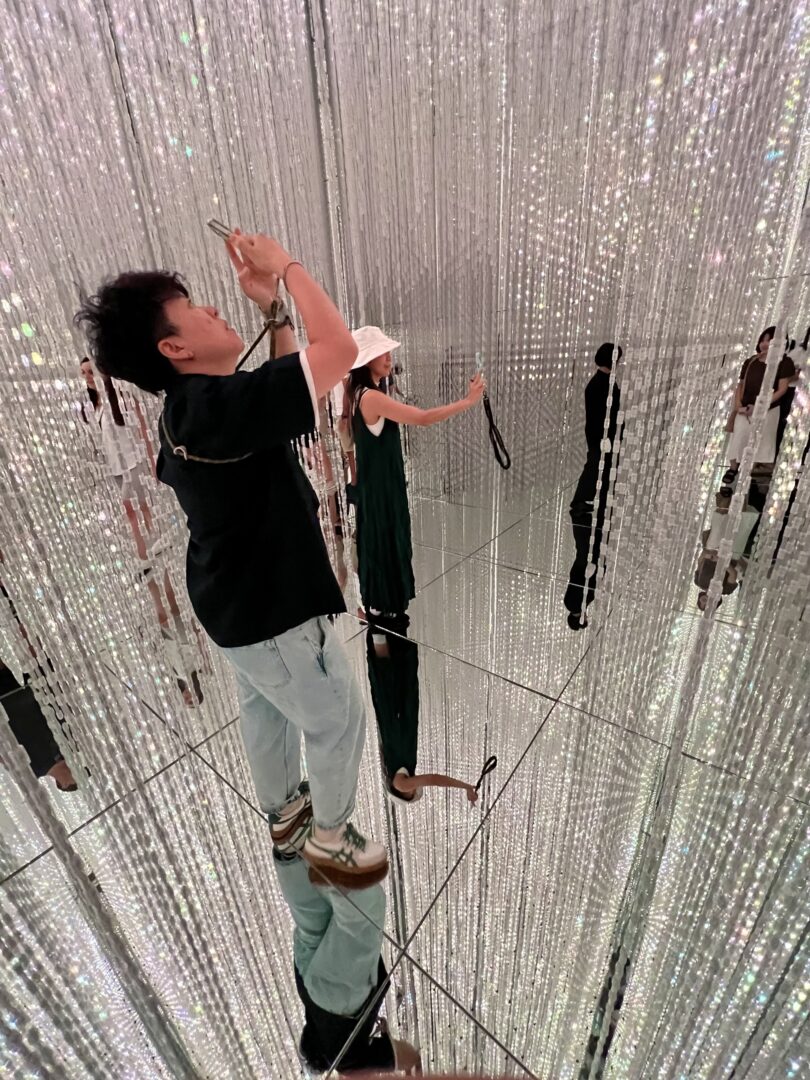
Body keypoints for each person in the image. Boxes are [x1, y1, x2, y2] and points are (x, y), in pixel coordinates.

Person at [75, 228, 387, 889]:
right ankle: (331, 842)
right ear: (174, 347)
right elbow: (339, 351)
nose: (215, 310)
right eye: (194, 309)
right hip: (274, 605)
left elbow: (282, 392)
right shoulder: (218, 410)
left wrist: (272, 311)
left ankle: (285, 817)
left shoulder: (197, 408)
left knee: (267, 711)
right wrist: (289, 266)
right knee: (337, 721)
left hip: (233, 604)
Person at [346, 326, 485, 619]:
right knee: (385, 540)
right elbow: (422, 418)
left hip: (377, 485)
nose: (389, 358)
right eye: (382, 353)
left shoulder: (358, 393)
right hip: (382, 487)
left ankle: (379, 604)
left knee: (379, 540)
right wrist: (467, 401)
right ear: (367, 360)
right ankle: (383, 606)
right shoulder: (371, 398)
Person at [272, 846, 420, 1074]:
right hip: (304, 979)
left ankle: (331, 852)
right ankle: (290, 850)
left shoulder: (346, 1062)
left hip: (339, 999)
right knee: (311, 913)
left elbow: (410, 1057)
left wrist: (408, 1068)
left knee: (362, 915)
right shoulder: (319, 1027)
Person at [366, 614, 479, 806]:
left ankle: (377, 624)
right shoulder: (406, 770)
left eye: (412, 793)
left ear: (403, 794)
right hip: (402, 719)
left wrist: (465, 786)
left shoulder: (400, 784)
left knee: (387, 679)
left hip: (395, 719)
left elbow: (433, 779)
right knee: (399, 678)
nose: (414, 789)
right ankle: (384, 625)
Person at [564, 342, 622, 630]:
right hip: (602, 441)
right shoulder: (602, 384)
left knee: (595, 472)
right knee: (595, 471)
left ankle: (585, 504)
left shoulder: (598, 383)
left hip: (600, 441)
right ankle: (585, 504)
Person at [725, 326, 795, 480]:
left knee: (760, 441)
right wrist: (738, 405)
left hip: (768, 409)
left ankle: (751, 471)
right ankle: (733, 468)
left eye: (769, 340)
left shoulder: (784, 362)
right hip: (745, 408)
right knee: (739, 437)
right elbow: (741, 385)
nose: (764, 343)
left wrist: (759, 406)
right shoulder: (751, 361)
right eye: (762, 340)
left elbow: (782, 389)